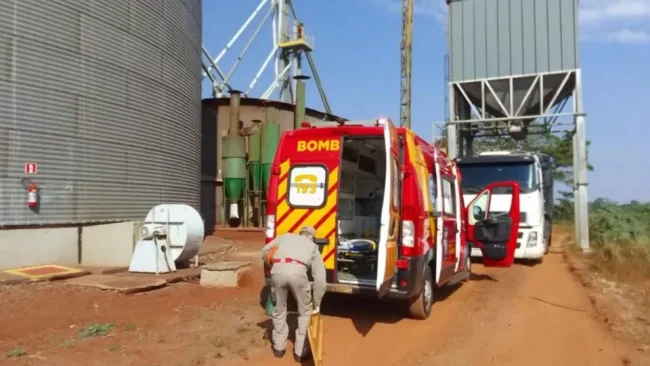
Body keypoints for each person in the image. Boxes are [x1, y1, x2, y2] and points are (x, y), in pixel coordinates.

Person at [261, 225, 327, 362]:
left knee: (279, 309)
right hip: (298, 273)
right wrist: (317, 302)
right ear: (312, 237)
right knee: (304, 312)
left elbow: (265, 250)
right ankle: (300, 352)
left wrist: (272, 264)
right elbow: (320, 279)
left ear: (300, 233)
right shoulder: (313, 246)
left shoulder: (286, 237)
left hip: (277, 271)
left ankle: (278, 348)